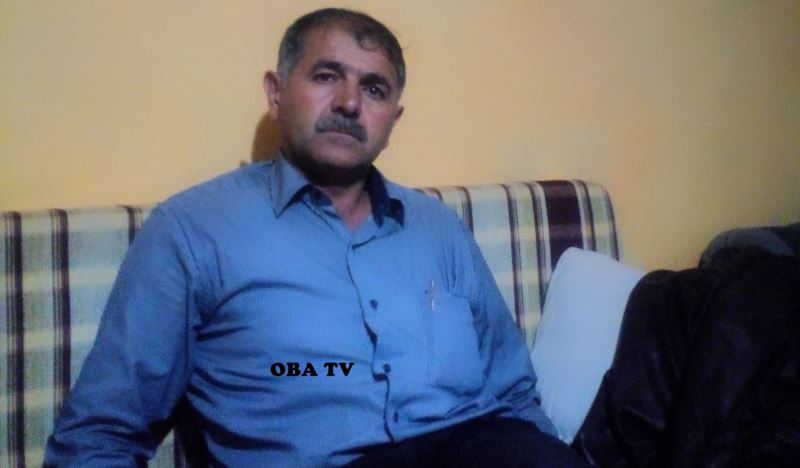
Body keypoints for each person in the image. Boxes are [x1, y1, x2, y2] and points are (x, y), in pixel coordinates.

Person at [45, 8, 588, 467]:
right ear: (276, 93)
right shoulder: (192, 231)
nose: (350, 103)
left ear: (393, 118)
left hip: (482, 448)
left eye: (374, 89)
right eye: (327, 76)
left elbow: (513, 392)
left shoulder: (439, 228)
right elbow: (100, 435)